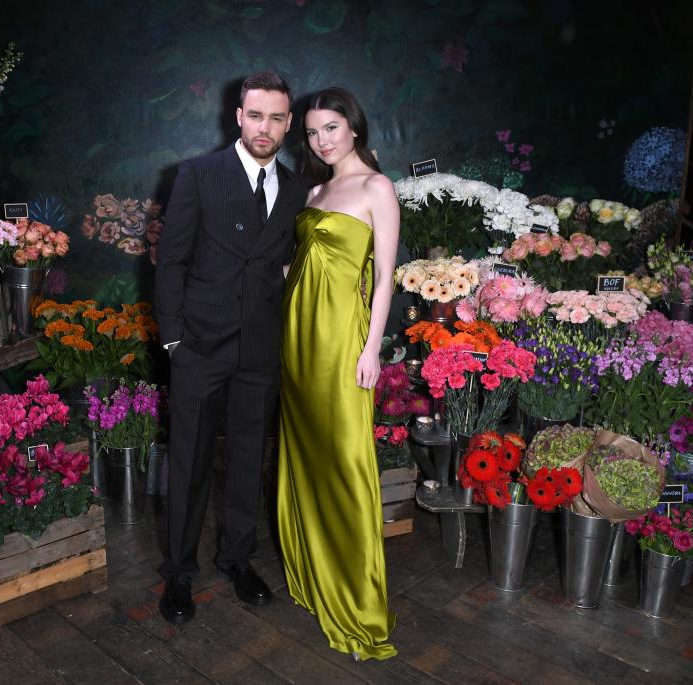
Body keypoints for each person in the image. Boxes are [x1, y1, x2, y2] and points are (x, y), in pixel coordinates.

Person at [153, 71, 305, 624]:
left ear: (289, 123)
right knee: (189, 461)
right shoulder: (195, 175)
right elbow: (170, 261)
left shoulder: (294, 191)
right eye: (256, 115)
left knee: (247, 460)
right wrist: (172, 338)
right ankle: (179, 574)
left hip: (260, 350)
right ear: (237, 116)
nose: (266, 127)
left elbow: (287, 267)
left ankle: (238, 559)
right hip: (197, 346)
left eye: (277, 118)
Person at [276, 87, 400, 661]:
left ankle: (358, 600)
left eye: (331, 127)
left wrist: (371, 348)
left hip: (344, 342)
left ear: (354, 127)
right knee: (307, 454)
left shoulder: (377, 187)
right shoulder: (316, 189)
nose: (322, 140)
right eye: (313, 132)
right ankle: (316, 571)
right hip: (299, 339)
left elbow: (384, 279)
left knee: (346, 460)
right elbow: (300, 264)